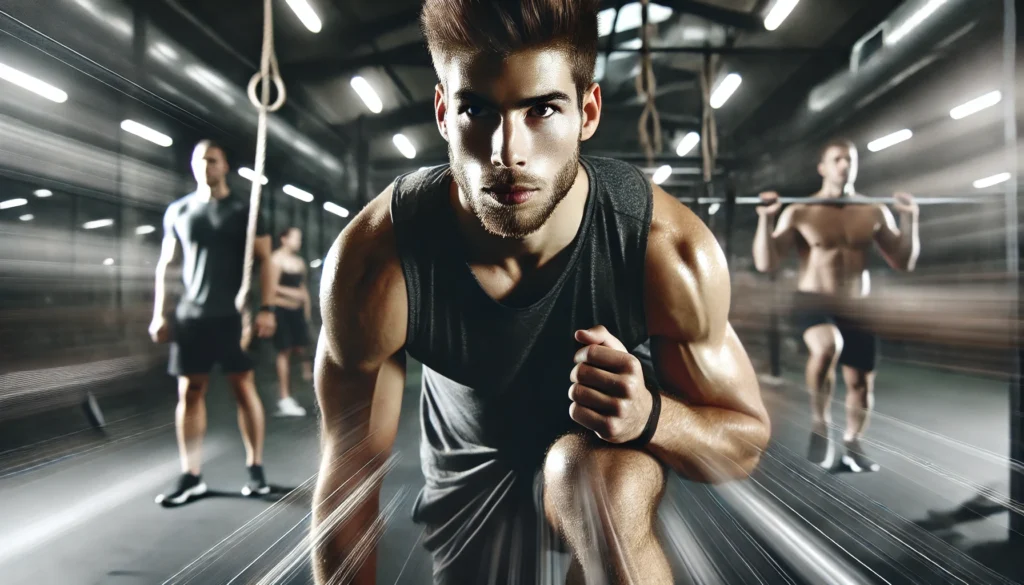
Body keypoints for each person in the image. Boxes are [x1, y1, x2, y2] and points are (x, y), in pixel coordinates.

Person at [311, 1, 770, 583]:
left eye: (542, 110)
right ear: (443, 113)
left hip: (596, 461)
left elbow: (743, 443)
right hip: (470, 485)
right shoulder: (378, 259)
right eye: (476, 109)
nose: (507, 153)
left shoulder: (666, 249)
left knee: (597, 484)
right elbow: (349, 473)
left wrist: (653, 417)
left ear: (588, 111)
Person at [752, 138, 920, 473]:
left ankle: (853, 444)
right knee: (828, 345)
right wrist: (766, 220)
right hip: (814, 300)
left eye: (850, 160)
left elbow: (904, 261)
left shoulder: (874, 211)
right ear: (823, 168)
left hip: (858, 303)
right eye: (838, 159)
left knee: (860, 384)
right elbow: (765, 262)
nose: (845, 165)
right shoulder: (800, 210)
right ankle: (820, 423)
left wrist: (911, 220)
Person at [149, 139, 278, 506]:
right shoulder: (179, 211)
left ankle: (255, 471)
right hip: (192, 316)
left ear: (224, 167)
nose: (204, 165)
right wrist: (160, 312)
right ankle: (191, 476)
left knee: (243, 388)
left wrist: (266, 308)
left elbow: (266, 261)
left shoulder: (245, 211)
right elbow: (167, 265)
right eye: (198, 160)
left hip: (232, 316)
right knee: (189, 392)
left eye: (212, 159)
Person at [270, 227, 313, 417]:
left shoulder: (299, 262)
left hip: (297, 313)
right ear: (284, 238)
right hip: (281, 311)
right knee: (284, 352)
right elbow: (270, 287)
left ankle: (293, 392)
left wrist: (306, 311)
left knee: (301, 351)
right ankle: (284, 398)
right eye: (295, 238)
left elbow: (303, 289)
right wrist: (293, 294)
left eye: (300, 238)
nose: (299, 241)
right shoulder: (276, 259)